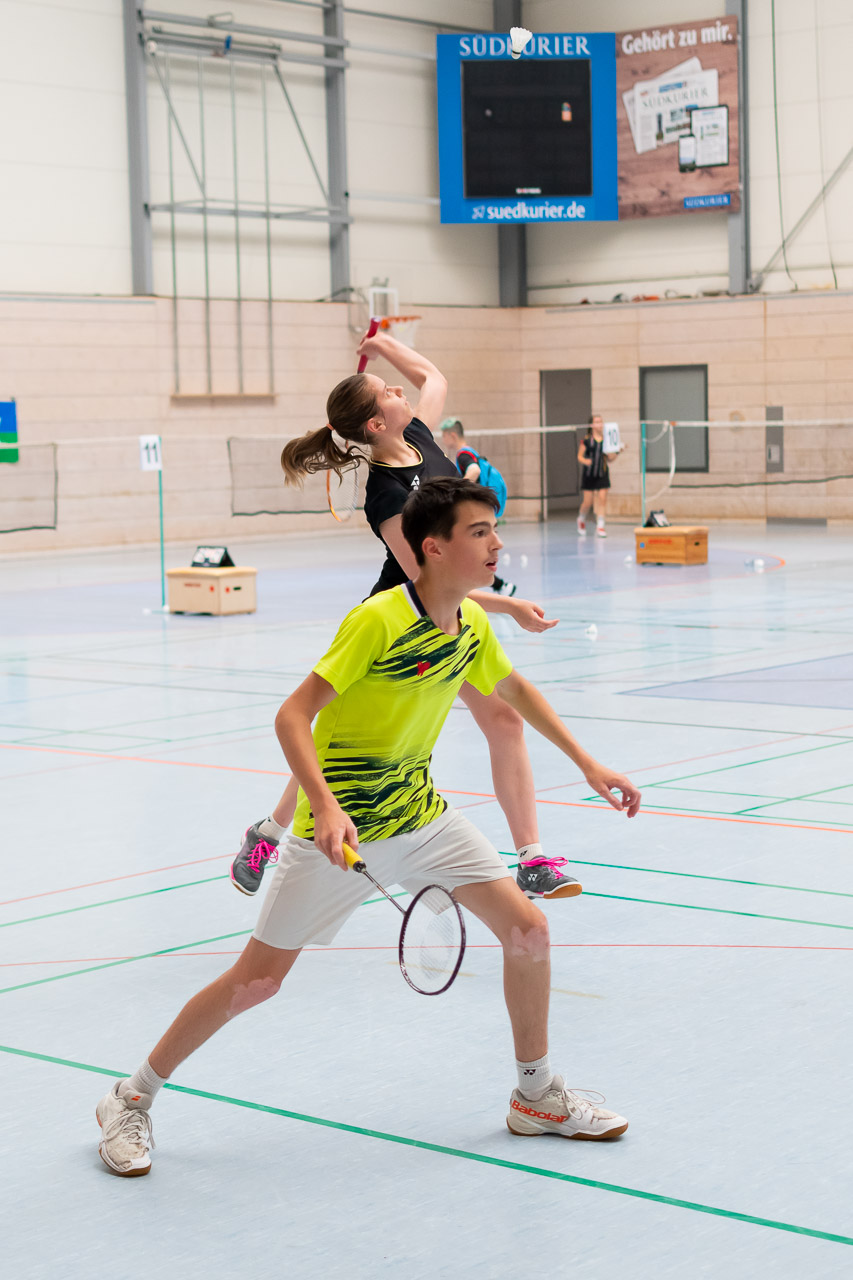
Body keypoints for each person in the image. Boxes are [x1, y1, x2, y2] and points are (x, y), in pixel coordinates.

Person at [95, 477, 641, 1178]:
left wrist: (588, 764)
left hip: (423, 817)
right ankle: (129, 1097)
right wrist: (323, 805)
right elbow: (293, 715)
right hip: (340, 835)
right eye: (480, 532)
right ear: (434, 548)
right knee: (256, 982)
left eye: (494, 530)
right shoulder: (378, 621)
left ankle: (535, 1097)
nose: (497, 544)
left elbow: (514, 690)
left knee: (528, 930)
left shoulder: (470, 625)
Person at [231, 328, 580, 903]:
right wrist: (509, 605)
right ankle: (268, 834)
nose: (400, 391)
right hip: (398, 622)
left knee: (504, 721)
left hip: (452, 609)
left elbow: (432, 377)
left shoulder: (417, 433)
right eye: (387, 391)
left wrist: (383, 342)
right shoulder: (387, 494)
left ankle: (532, 859)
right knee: (338, 742)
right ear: (375, 424)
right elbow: (424, 580)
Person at [440, 417, 513, 595]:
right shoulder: (470, 451)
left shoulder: (463, 454)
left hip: (475, 513)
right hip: (479, 512)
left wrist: (456, 492)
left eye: (444, 436)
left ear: (452, 435)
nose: (443, 440)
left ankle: (497, 586)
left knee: (470, 553)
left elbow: (474, 471)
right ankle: (500, 586)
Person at [576, 415, 625, 539]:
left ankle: (601, 526)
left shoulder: (606, 441)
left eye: (601, 421)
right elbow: (579, 456)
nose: (600, 424)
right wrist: (585, 461)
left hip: (602, 473)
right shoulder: (586, 440)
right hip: (589, 475)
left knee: (602, 499)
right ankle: (581, 519)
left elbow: (610, 459)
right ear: (592, 425)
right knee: (588, 502)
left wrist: (618, 451)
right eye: (597, 422)